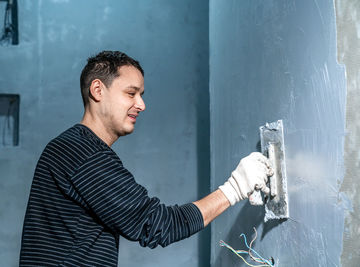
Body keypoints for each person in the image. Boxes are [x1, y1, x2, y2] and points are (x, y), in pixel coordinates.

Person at [19, 51, 273, 267]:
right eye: (131, 93)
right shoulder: (82, 153)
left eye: (141, 94)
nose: (141, 104)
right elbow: (157, 225)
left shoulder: (74, 148)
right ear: (98, 90)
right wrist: (234, 188)